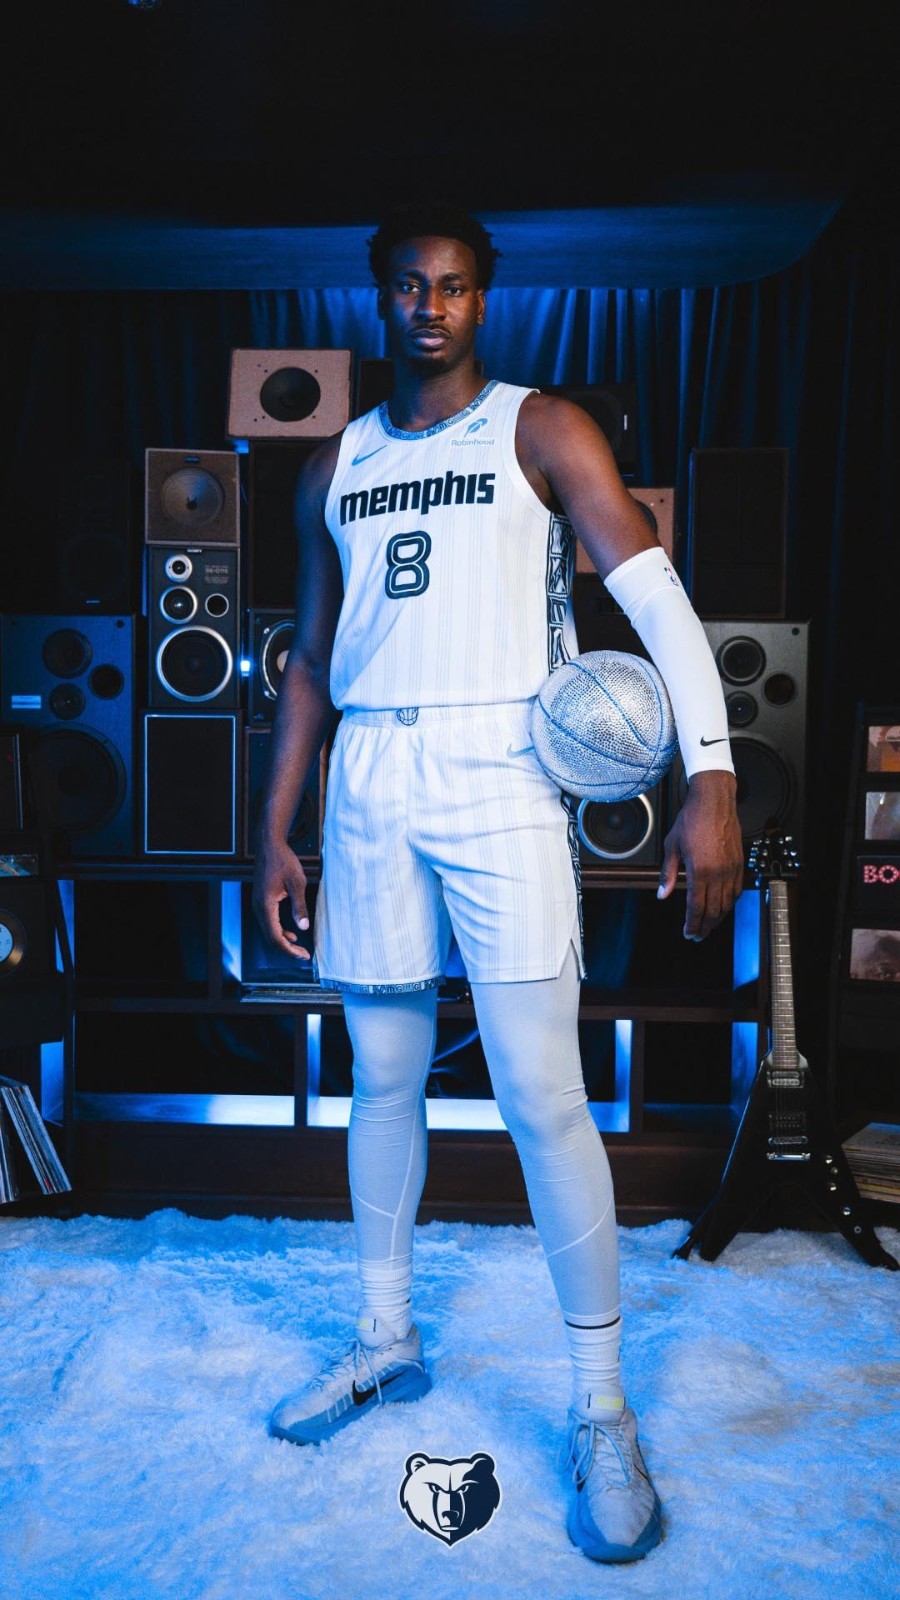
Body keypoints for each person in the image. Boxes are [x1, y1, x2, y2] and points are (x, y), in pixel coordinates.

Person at [252, 200, 744, 1565]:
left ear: (484, 299)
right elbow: (310, 658)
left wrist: (711, 776)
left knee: (540, 1092)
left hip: (500, 768)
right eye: (410, 285)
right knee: (383, 1077)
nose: (431, 306)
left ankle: (600, 1407)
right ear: (379, 298)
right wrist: (272, 827)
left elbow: (654, 598)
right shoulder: (334, 464)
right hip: (371, 775)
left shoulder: (541, 429)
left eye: (455, 286)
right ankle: (385, 1337)